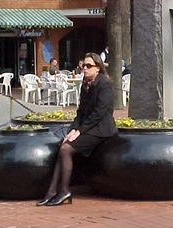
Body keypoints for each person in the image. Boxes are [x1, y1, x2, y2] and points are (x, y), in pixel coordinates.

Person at [37, 52, 118, 206]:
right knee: (63, 144)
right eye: (83, 66)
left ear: (98, 68)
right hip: (88, 126)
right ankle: (52, 191)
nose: (84, 69)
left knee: (66, 149)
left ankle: (64, 191)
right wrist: (73, 129)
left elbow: (98, 114)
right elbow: (81, 111)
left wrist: (80, 131)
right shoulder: (85, 83)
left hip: (102, 129)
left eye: (89, 66)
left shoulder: (104, 85)